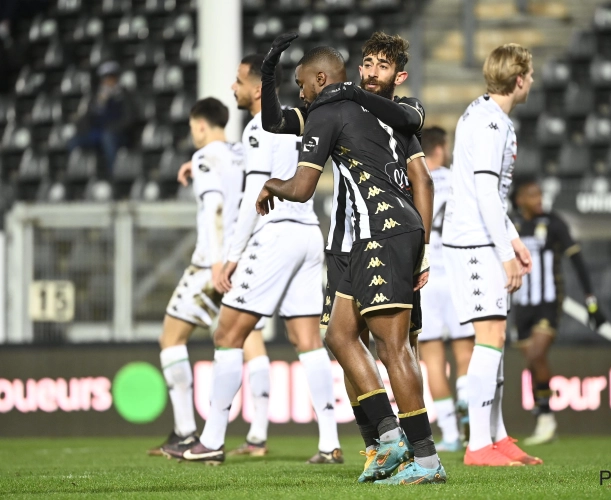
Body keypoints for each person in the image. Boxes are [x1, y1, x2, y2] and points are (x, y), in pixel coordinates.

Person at [257, 38, 446, 484]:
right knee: (341, 338)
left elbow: (304, 188)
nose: (371, 71)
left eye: (303, 85)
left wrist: (424, 248)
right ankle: (384, 439)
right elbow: (275, 121)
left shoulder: (393, 112)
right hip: (354, 240)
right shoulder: (336, 108)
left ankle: (423, 455)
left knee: (393, 347)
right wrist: (269, 76)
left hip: (385, 232)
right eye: (367, 64)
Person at [163, 54, 342, 466]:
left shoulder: (260, 124)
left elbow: (250, 195)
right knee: (307, 341)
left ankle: (210, 439)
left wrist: (230, 256)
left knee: (227, 335)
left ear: (257, 88)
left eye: (238, 81)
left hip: (274, 234)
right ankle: (330, 441)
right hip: (308, 233)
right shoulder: (302, 120)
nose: (233, 88)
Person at [442, 43, 541, 467]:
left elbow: (493, 196)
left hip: (482, 237)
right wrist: (504, 253)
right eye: (530, 75)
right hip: (473, 242)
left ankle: (497, 436)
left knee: (495, 340)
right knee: (489, 340)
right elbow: (484, 192)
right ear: (519, 80)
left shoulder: (485, 114)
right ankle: (478, 445)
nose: (532, 82)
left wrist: (513, 238)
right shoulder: (490, 125)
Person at [148, 97, 244, 456]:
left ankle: (187, 431)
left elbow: (215, 208)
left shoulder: (206, 157)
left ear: (201, 126)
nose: (193, 134)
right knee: (235, 342)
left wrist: (216, 262)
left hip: (210, 265)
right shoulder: (239, 153)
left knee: (171, 340)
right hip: (240, 261)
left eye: (192, 128)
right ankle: (230, 434)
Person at [510, 176, 606, 445]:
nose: (538, 199)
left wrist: (591, 301)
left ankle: (546, 419)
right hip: (521, 305)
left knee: (538, 354)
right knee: (532, 362)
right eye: (532, 195)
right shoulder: (510, 226)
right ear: (519, 200)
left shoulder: (553, 223)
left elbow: (577, 260)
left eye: (540, 194)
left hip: (548, 302)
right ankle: (542, 417)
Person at [417, 127, 474, 452]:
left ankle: (450, 434)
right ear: (440, 148)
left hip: (425, 277)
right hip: (457, 274)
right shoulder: (458, 181)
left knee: (434, 360)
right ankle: (467, 401)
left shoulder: (413, 181)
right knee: (465, 352)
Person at [67, 61, 135, 175]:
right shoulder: (96, 96)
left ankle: (113, 174)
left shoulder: (124, 95)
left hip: (117, 133)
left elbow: (129, 118)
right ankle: (75, 174)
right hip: (97, 132)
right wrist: (100, 102)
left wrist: (114, 128)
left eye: (111, 76)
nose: (108, 80)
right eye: (105, 77)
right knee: (73, 142)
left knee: (107, 138)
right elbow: (88, 116)